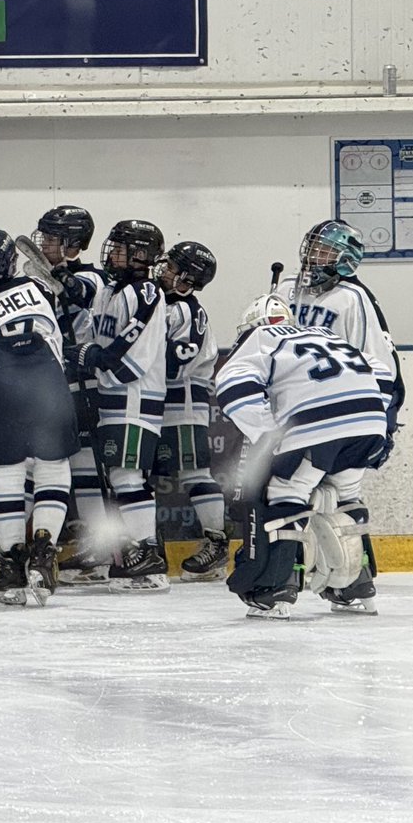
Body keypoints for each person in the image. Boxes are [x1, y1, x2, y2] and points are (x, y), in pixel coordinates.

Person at [217, 295, 391, 618]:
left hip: (317, 422)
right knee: (346, 495)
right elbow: (383, 373)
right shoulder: (326, 335)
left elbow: (231, 383)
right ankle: (355, 587)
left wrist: (268, 433)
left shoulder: (261, 338)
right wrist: (376, 414)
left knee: (286, 492)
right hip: (369, 420)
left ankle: (275, 588)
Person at [0, 229, 78, 606]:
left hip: (1, 389)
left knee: (5, 471)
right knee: (52, 465)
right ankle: (44, 548)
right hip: (49, 386)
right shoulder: (37, 290)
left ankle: (11, 560)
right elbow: (56, 340)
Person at [63, 219, 169, 591]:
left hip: (135, 397)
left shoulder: (147, 293)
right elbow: (93, 330)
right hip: (113, 398)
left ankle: (149, 556)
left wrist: (88, 356)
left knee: (128, 476)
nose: (112, 253)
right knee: (117, 477)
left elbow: (126, 362)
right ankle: (131, 551)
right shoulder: (111, 290)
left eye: (121, 248)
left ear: (140, 254)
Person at [30, 204, 110, 584]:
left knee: (94, 467)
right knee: (77, 468)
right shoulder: (40, 276)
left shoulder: (95, 276)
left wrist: (55, 276)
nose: (43, 242)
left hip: (86, 384)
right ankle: (93, 544)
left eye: (52, 237)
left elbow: (77, 293)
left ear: (73, 244)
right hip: (57, 383)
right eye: (43, 235)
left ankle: (108, 545)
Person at [275, 219, 403, 453]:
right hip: (289, 400)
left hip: (331, 404)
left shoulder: (352, 297)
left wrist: (380, 417)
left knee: (307, 484)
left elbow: (381, 364)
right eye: (312, 249)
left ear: (346, 259)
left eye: (323, 251)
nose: (313, 257)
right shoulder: (286, 288)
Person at [153, 241, 228, 581]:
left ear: (186, 277)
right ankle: (149, 546)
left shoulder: (186, 311)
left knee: (194, 472)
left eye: (171, 267)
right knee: (142, 475)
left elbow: (174, 365)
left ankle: (217, 544)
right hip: (157, 400)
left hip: (181, 399)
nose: (163, 270)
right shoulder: (160, 303)